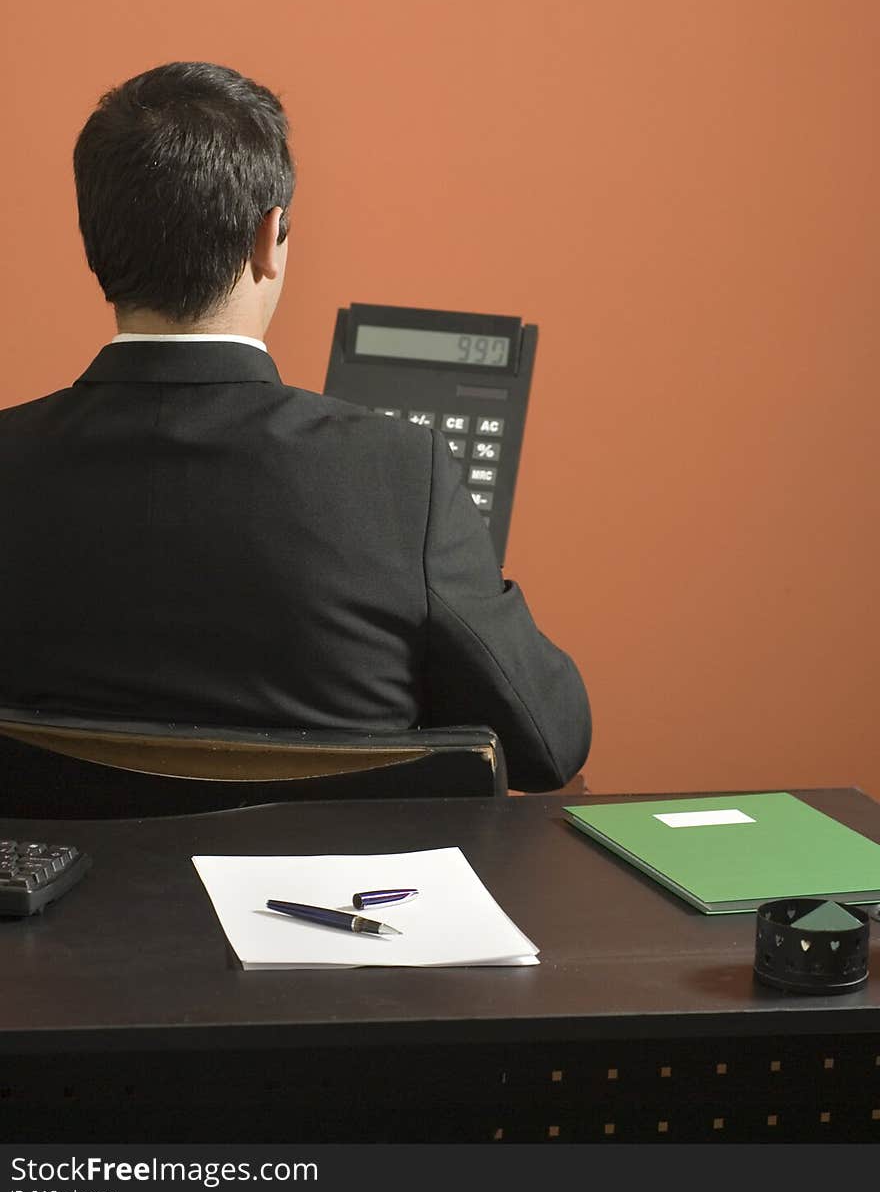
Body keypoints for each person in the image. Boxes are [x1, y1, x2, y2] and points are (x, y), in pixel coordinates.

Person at [0, 61, 590, 792]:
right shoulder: (404, 478)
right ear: (269, 237)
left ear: (94, 243)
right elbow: (551, 738)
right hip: (342, 905)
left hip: (68, 905)